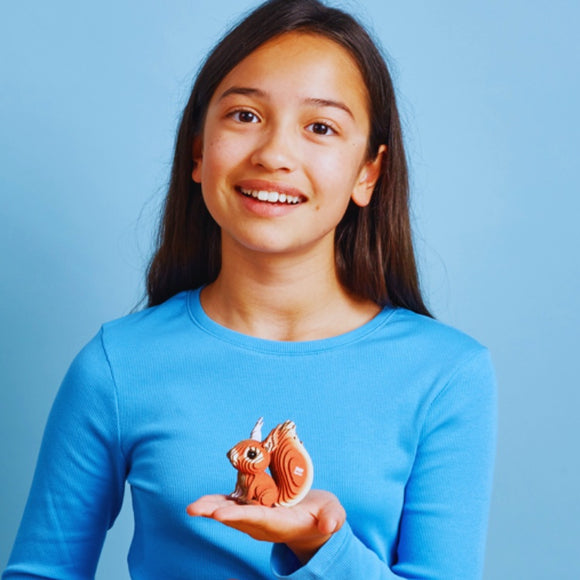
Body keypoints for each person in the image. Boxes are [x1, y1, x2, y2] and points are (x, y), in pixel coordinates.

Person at [3, 0, 497, 578]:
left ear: (368, 172)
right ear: (197, 150)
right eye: (244, 116)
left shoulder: (447, 375)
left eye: (320, 127)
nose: (274, 155)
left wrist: (320, 548)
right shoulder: (117, 364)